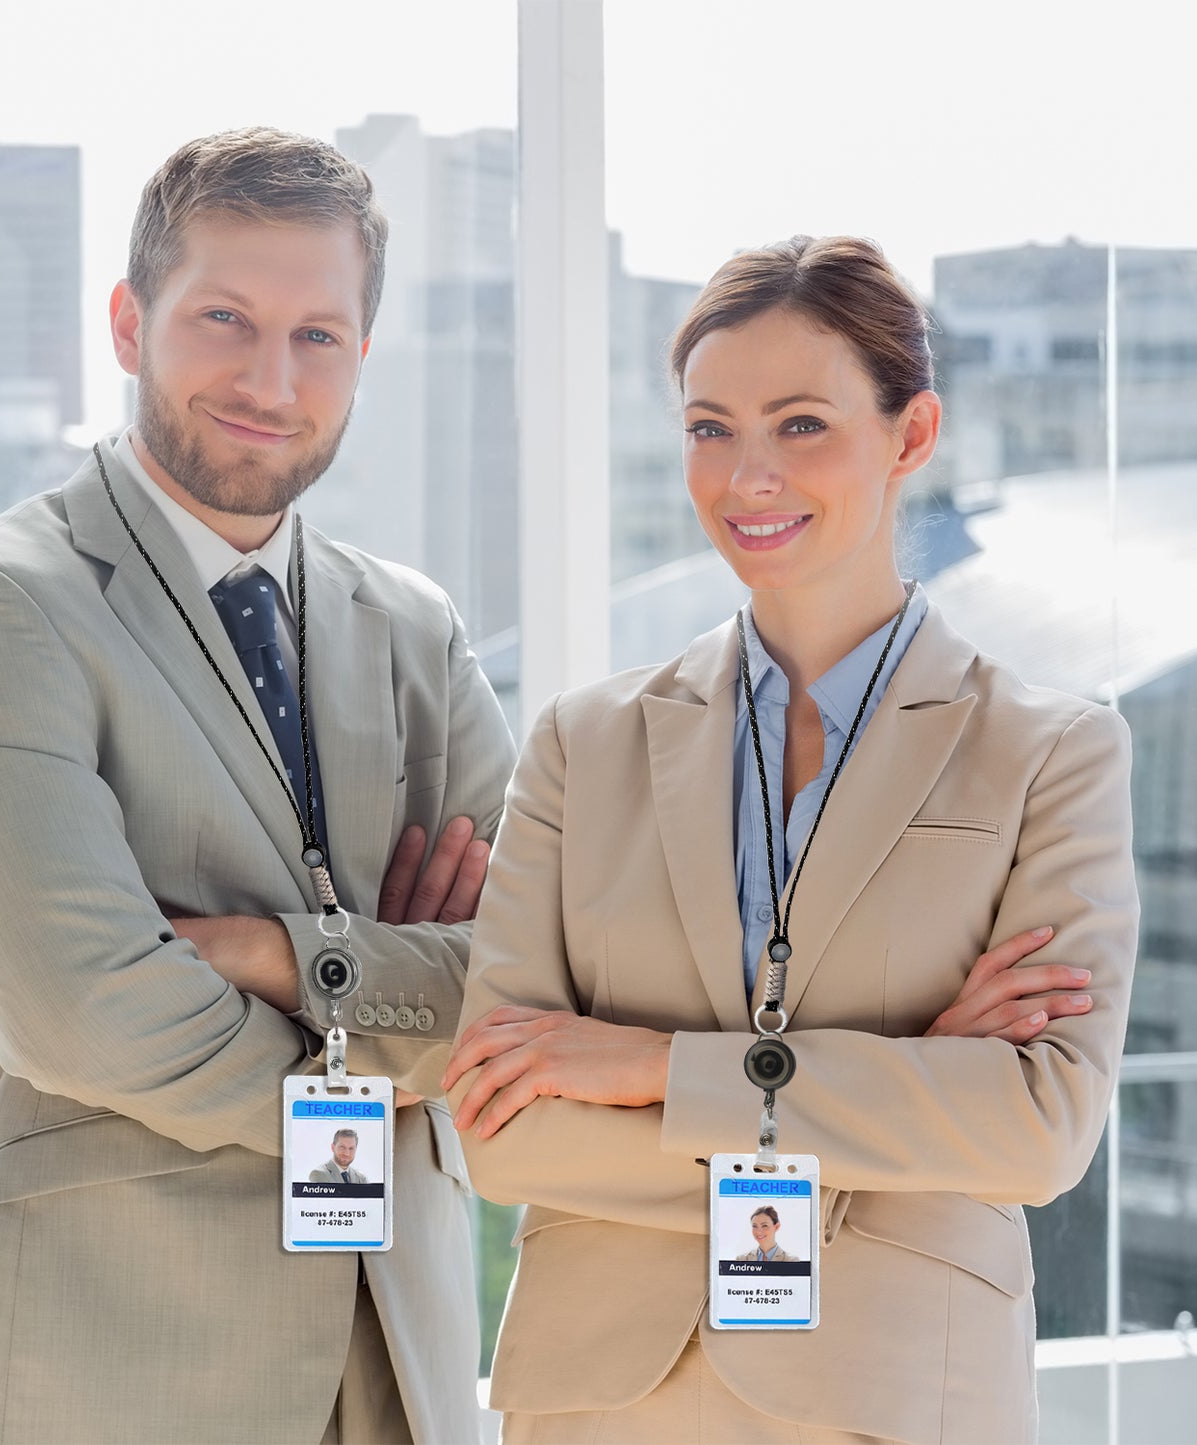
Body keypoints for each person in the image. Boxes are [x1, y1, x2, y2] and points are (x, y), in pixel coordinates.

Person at [0, 127, 516, 1445]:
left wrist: (277, 953)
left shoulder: (416, 630)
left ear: (360, 359)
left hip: (402, 1373)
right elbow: (91, 1011)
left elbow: (526, 987)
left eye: (316, 335)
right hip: (118, 1380)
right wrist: (394, 1033)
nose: (269, 378)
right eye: (224, 317)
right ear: (128, 321)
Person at [444, 236, 1139, 1444]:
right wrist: (903, 1089)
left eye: (800, 423)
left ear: (909, 435)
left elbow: (1033, 1124)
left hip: (900, 1396)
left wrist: (649, 1065)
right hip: (603, 1404)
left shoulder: (1049, 751)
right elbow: (505, 1128)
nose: (744, 474)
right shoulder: (579, 743)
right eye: (709, 428)